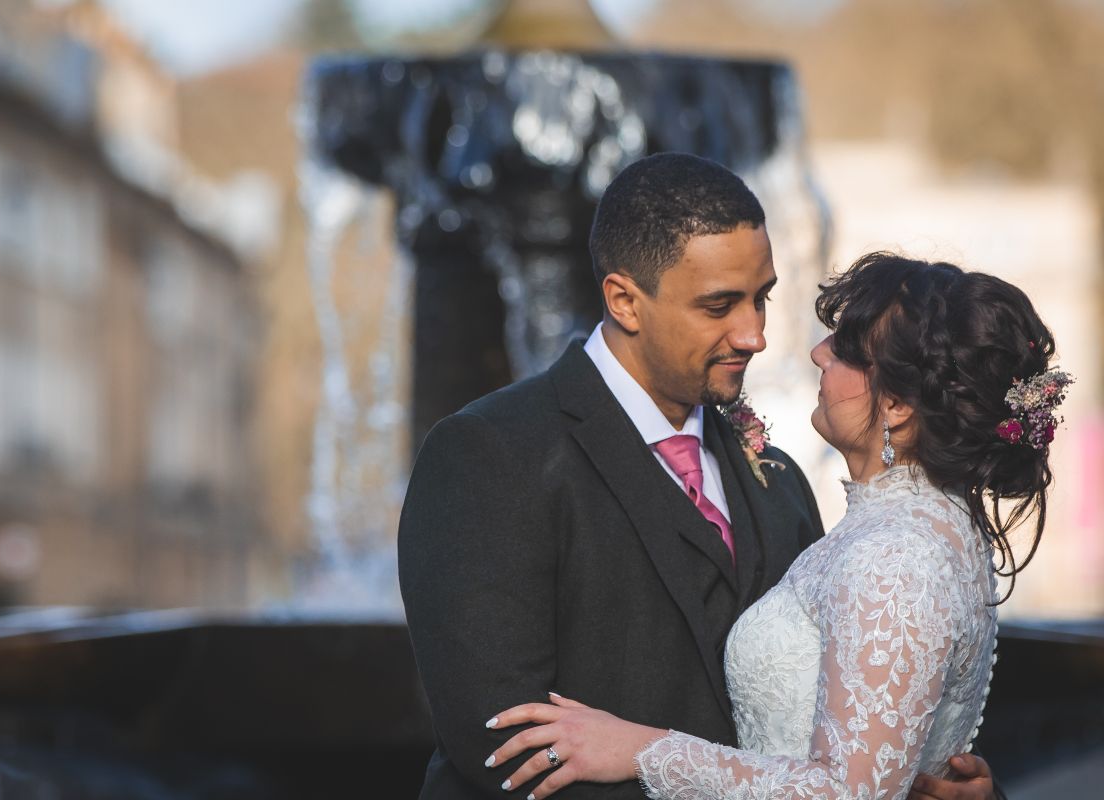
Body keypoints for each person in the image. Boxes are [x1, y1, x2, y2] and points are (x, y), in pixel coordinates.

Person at [398, 153, 996, 799]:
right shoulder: (489, 453)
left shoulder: (779, 475)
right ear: (625, 300)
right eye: (719, 306)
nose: (755, 335)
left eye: (761, 299)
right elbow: (504, 742)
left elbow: (842, 734)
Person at [483, 252, 1067, 799]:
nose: (818, 353)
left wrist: (641, 749)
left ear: (897, 406)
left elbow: (848, 792)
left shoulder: (894, 558)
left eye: (847, 347)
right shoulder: (930, 529)